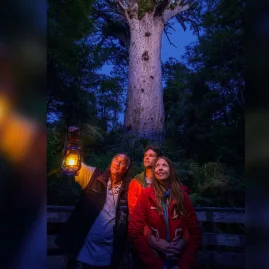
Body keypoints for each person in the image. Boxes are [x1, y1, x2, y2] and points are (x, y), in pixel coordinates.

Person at [55, 127, 132, 269]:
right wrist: (71, 140)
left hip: (109, 255)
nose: (118, 163)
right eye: (116, 159)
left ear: (126, 169)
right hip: (83, 251)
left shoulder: (128, 191)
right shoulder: (94, 176)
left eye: (122, 162)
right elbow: (71, 163)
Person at [128, 157, 201, 269]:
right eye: (157, 165)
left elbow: (195, 232)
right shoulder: (146, 195)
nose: (160, 168)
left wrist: (183, 264)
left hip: (179, 260)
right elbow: (134, 230)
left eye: (164, 165)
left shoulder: (182, 196)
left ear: (171, 170)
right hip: (155, 260)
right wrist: (154, 263)